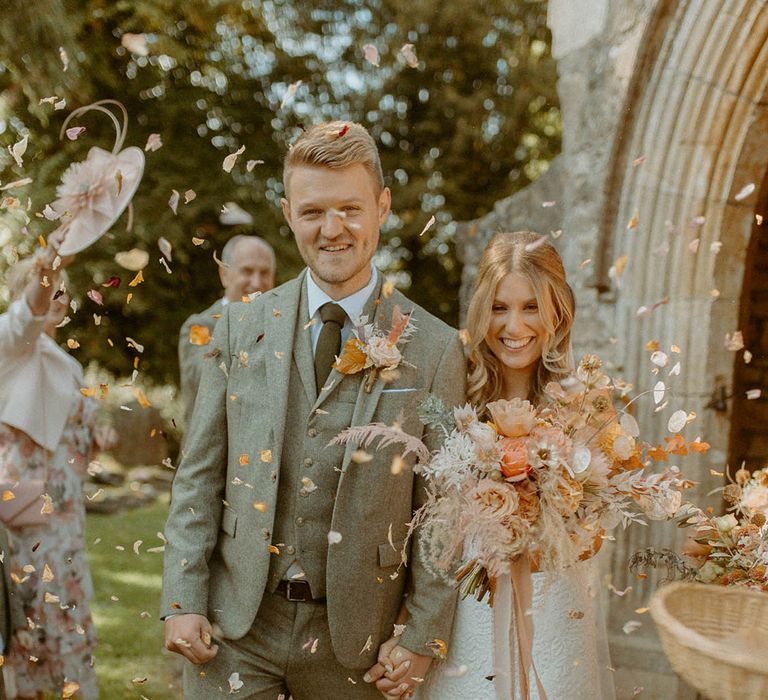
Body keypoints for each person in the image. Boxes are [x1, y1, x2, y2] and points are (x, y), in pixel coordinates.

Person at [161, 121, 466, 700]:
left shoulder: (435, 346)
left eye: (350, 209)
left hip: (361, 642)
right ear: (287, 212)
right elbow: (198, 475)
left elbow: (444, 510)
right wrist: (181, 598)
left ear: (382, 207)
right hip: (236, 631)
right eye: (312, 212)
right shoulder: (238, 325)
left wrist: (422, 636)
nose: (332, 230)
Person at [417, 231, 615, 700]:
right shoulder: (453, 394)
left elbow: (596, 532)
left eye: (531, 307)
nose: (514, 325)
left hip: (554, 610)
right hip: (468, 608)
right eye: (500, 308)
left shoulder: (587, 406)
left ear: (557, 312)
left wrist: (545, 516)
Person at [0, 231, 107, 700]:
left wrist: (97, 438)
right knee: (30, 619)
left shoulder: (69, 363)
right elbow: (26, 317)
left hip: (66, 515)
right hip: (23, 515)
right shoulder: (11, 345)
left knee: (67, 617)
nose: (58, 295)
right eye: (49, 287)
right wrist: (51, 266)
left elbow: (71, 441)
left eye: (64, 288)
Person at [178, 235, 276, 434]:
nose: (256, 282)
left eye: (264, 273)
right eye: (247, 271)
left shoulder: (279, 326)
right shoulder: (200, 326)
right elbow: (204, 378)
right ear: (224, 274)